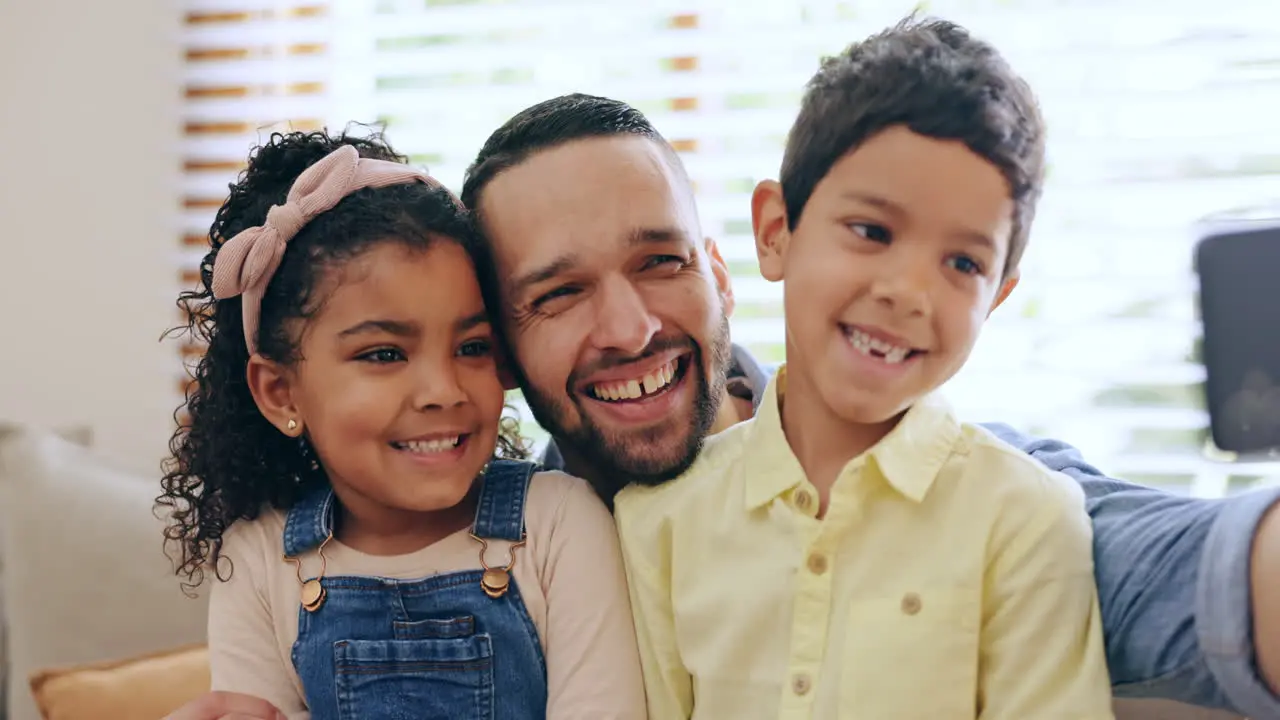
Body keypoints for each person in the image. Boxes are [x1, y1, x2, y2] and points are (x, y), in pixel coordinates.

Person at [166, 61, 1280, 720]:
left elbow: (1188, 568)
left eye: (658, 262)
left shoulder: (982, 498)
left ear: (723, 262)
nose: (627, 329)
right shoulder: (548, 526)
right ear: (501, 345)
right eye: (554, 295)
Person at [612, 18, 1112, 718]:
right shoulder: (657, 525)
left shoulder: (1026, 520)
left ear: (996, 296)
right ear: (776, 230)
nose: (907, 291)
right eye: (872, 232)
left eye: (963, 264)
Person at [157, 129, 644, 719]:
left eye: (472, 346)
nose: (443, 391)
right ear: (280, 391)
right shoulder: (260, 561)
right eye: (384, 354)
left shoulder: (558, 525)